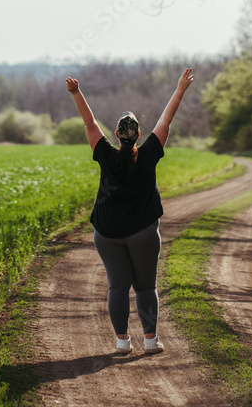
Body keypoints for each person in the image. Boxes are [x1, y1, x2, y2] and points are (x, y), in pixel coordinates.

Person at [65, 68, 194, 355]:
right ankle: (150, 340)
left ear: (116, 135)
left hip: (107, 233)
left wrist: (76, 92)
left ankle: (122, 342)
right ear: (138, 134)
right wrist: (180, 89)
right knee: (146, 288)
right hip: (144, 232)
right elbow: (167, 119)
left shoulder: (106, 154)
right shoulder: (149, 153)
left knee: (118, 287)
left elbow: (88, 122)